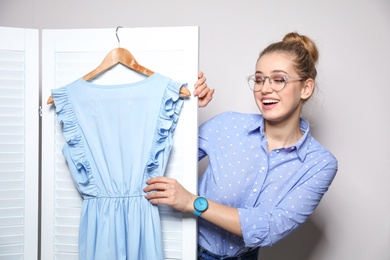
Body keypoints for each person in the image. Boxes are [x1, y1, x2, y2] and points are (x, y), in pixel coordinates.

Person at [144, 32, 338, 259]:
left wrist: (195, 203)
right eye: (259, 79)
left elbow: (271, 228)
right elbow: (159, 158)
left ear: (306, 88)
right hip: (185, 250)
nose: (265, 88)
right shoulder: (227, 125)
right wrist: (187, 107)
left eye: (278, 79)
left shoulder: (320, 164)